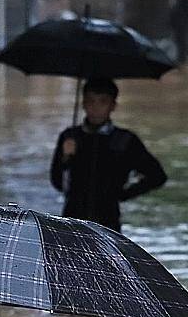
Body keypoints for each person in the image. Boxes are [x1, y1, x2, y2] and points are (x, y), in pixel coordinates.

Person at [50, 77, 168, 233]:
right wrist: (65, 158)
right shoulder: (70, 137)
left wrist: (122, 194)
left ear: (113, 106)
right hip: (72, 221)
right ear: (83, 104)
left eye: (103, 102)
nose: (96, 108)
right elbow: (58, 182)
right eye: (91, 101)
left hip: (108, 221)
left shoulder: (125, 141)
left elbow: (157, 176)